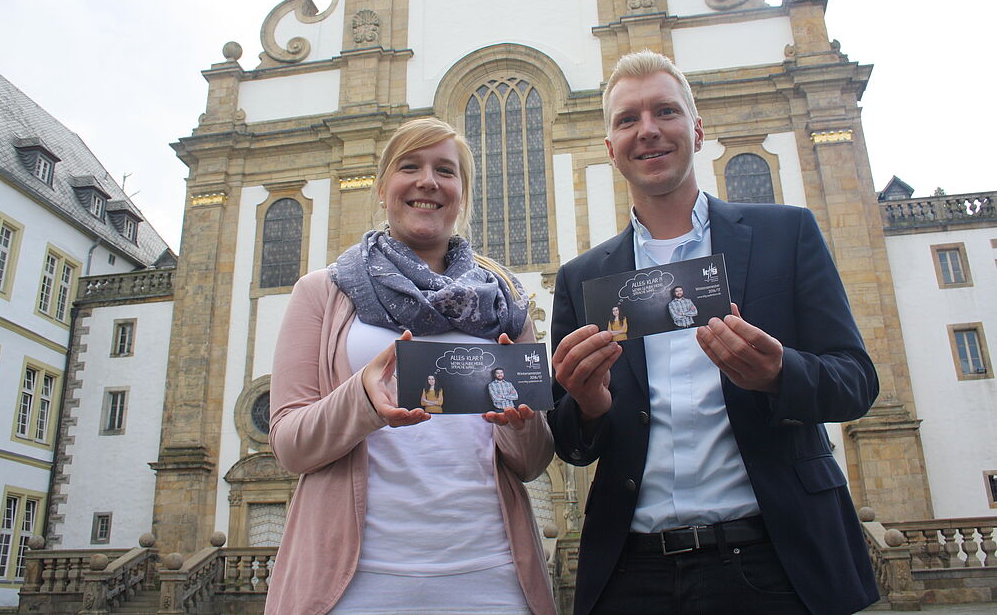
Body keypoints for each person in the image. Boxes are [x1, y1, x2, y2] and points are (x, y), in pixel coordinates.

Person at [548, 50, 879, 615]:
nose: (647, 130)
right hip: (634, 571)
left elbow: (856, 382)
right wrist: (588, 406)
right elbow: (573, 446)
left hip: (773, 560)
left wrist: (779, 375)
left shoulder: (786, 234)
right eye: (627, 120)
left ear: (697, 130)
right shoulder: (584, 279)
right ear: (610, 148)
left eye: (665, 113)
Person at [267, 117, 556, 615]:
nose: (428, 180)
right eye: (410, 166)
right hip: (357, 582)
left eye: (446, 170)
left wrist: (521, 425)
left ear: (461, 195)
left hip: (491, 575)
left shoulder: (504, 300)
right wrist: (360, 400)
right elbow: (289, 444)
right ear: (382, 188)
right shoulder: (324, 291)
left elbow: (531, 463)